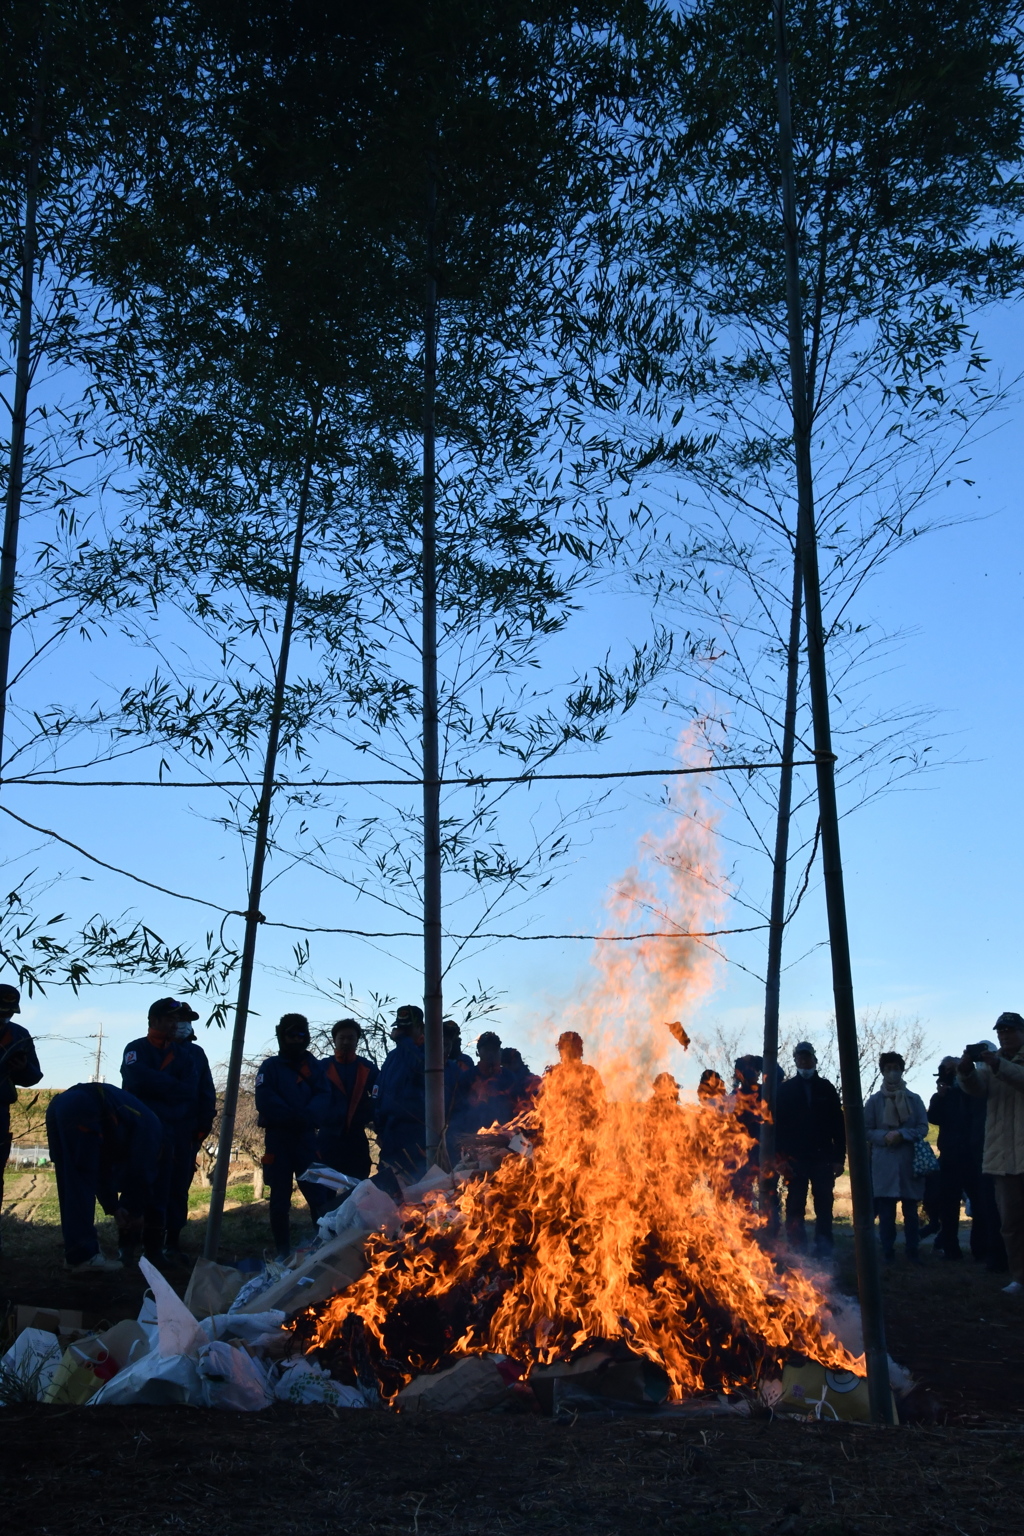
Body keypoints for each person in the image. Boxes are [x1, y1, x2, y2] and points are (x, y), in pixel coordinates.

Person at [45, 1082, 163, 1273]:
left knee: (70, 1181)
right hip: (84, 1106)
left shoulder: (131, 1124)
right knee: (81, 1180)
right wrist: (136, 1210)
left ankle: (75, 1253)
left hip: (60, 1105)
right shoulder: (153, 1130)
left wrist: (114, 1207)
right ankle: (84, 1256)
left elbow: (102, 1168)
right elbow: (140, 1173)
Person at [121, 997, 201, 1262]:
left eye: (176, 1020)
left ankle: (154, 1250)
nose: (174, 1025)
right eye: (169, 1019)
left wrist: (155, 1086)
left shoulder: (184, 1055)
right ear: (154, 1021)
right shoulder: (136, 1048)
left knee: (163, 1191)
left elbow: (189, 1091)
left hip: (170, 1131)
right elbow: (135, 1079)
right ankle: (127, 1247)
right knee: (135, 1188)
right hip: (138, 1133)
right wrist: (169, 1086)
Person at [958, 1012, 1024, 1296]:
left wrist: (1000, 1064)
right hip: (1003, 1158)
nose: (1004, 1036)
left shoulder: (1002, 1063)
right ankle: (1020, 1278)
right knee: (1010, 1223)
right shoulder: (992, 1062)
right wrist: (965, 1070)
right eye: (1000, 1032)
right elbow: (976, 1089)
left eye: (1010, 1030)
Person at [255, 1013, 330, 1258]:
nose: (297, 1040)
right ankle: (283, 1252)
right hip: (278, 1139)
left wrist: (306, 1117)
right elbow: (265, 1099)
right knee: (279, 1199)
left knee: (317, 1196)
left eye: (301, 1034)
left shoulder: (316, 1067)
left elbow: (324, 1097)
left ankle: (322, 1247)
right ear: (281, 1036)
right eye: (291, 1035)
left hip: (307, 1139)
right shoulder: (270, 1067)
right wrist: (291, 1117)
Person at [775, 1043, 846, 1257]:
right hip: (795, 1159)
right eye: (800, 1058)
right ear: (795, 1060)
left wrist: (839, 1158)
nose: (804, 1062)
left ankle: (824, 1248)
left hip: (822, 1157)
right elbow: (777, 1127)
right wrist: (781, 1159)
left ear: (815, 1060)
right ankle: (797, 1248)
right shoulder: (785, 1090)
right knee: (795, 1204)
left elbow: (838, 1125)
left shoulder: (826, 1088)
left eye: (807, 1058)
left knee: (824, 1204)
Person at [163, 1004, 217, 1262]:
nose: (183, 1024)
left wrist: (202, 1129)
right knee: (146, 1185)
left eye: (187, 1020)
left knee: (178, 1188)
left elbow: (207, 1093)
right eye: (178, 1019)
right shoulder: (147, 1049)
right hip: (154, 1130)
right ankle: (137, 1242)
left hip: (185, 1132)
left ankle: (172, 1241)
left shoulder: (196, 1053)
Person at [864, 1051, 929, 1262]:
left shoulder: (914, 1099)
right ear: (882, 1072)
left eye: (896, 1068)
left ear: (902, 1070)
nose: (892, 1072)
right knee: (886, 1212)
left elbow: (922, 1127)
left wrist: (903, 1134)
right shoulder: (874, 1101)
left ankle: (912, 1250)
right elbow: (865, 1130)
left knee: (911, 1210)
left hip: (909, 1161)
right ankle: (887, 1251)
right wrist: (885, 1136)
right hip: (884, 1162)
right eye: (888, 1068)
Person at [927, 1053, 988, 1261]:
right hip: (950, 1156)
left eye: (954, 1069)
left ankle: (980, 1249)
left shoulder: (972, 1088)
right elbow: (932, 1117)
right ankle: (951, 1249)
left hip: (973, 1154)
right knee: (948, 1206)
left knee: (980, 1205)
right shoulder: (942, 1095)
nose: (951, 1073)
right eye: (947, 1070)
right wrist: (941, 1096)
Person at [0, 983, 42, 1254]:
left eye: (9, 1013)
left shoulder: (19, 1035)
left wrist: (22, 1067)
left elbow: (34, 1077)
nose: (5, 1018)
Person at [317, 1018, 379, 1180]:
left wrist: (370, 1117)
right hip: (327, 1137)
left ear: (357, 1041)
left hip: (356, 1137)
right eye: (341, 1038)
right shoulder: (321, 1067)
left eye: (351, 1038)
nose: (346, 1042)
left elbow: (380, 1097)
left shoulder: (367, 1068)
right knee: (325, 1189)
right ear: (334, 1040)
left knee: (358, 1187)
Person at [374, 1004, 427, 1188]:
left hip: (415, 1136)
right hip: (390, 1134)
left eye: (407, 1028)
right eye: (400, 1027)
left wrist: (405, 1041)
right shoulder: (392, 1057)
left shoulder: (427, 1053)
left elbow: (418, 1068)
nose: (401, 1032)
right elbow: (380, 1092)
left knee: (415, 1191)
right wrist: (379, 1128)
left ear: (420, 1027)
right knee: (386, 1190)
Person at [451, 1031, 518, 1136]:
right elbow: (458, 1110)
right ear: (478, 1052)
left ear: (499, 1051)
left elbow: (517, 1108)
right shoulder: (468, 1077)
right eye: (487, 1049)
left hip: (505, 1137)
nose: (491, 1053)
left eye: (494, 1049)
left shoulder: (509, 1077)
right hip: (474, 1137)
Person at [500, 1046, 541, 1114]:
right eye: (504, 1065)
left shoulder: (532, 1081)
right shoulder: (503, 1083)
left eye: (510, 1062)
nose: (506, 1067)